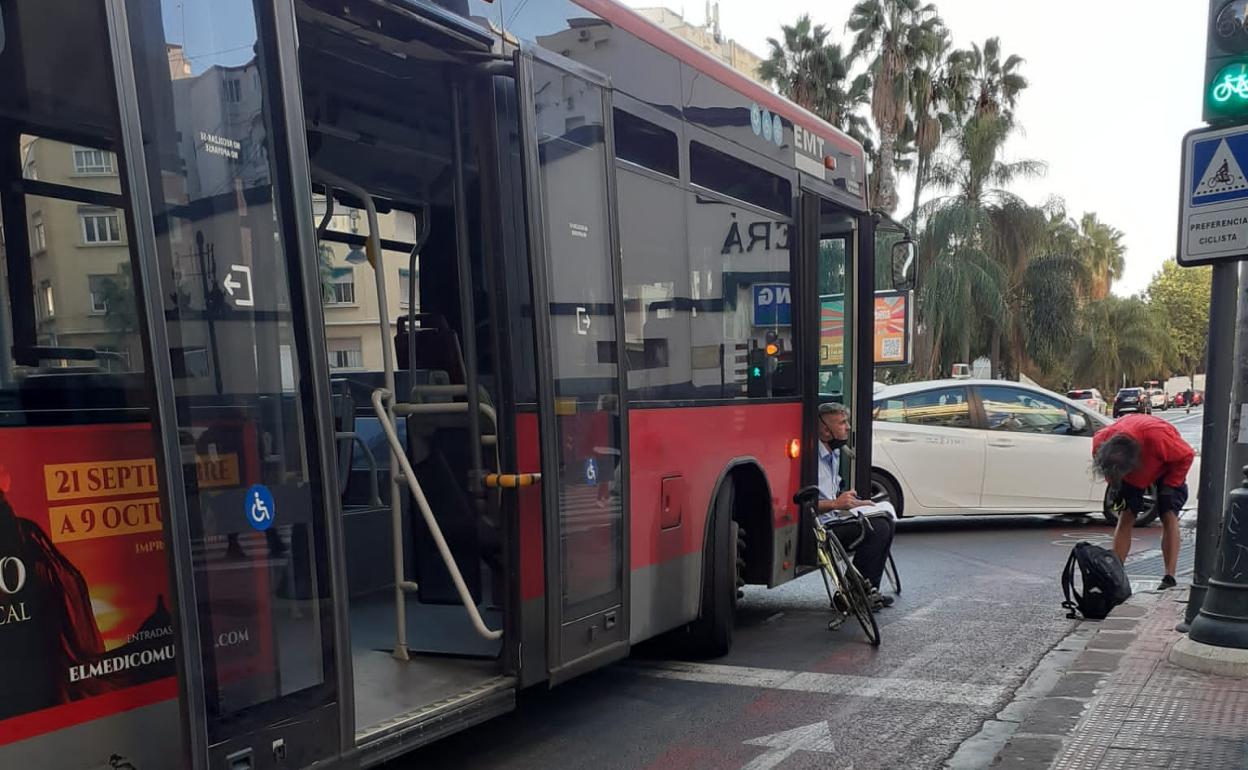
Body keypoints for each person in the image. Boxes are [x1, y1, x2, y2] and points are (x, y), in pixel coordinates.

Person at [1092, 413, 1194, 589]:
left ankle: (1169, 576)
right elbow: (1106, 469)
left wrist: (1170, 486)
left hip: (1167, 470)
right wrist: (1115, 484)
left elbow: (1187, 456)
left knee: (1168, 514)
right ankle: (1117, 574)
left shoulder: (1157, 436)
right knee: (1125, 515)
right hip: (1131, 476)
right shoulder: (1100, 441)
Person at [815, 402, 896, 609]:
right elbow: (804, 503)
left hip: (834, 519)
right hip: (821, 530)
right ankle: (853, 594)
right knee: (878, 528)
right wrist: (835, 503)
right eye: (842, 423)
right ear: (825, 429)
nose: (848, 427)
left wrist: (855, 502)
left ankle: (868, 590)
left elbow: (832, 494)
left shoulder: (832, 454)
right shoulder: (811, 458)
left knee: (886, 519)